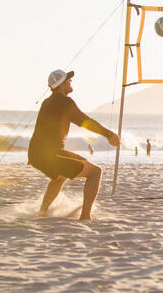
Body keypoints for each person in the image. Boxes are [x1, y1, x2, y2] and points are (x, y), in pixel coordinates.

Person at [28, 69, 119, 221]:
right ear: (62, 84)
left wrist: (36, 155)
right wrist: (109, 135)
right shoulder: (65, 103)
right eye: (68, 80)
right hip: (52, 154)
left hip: (35, 154)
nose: (71, 81)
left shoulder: (47, 102)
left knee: (59, 176)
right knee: (95, 172)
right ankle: (85, 216)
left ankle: (42, 212)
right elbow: (85, 122)